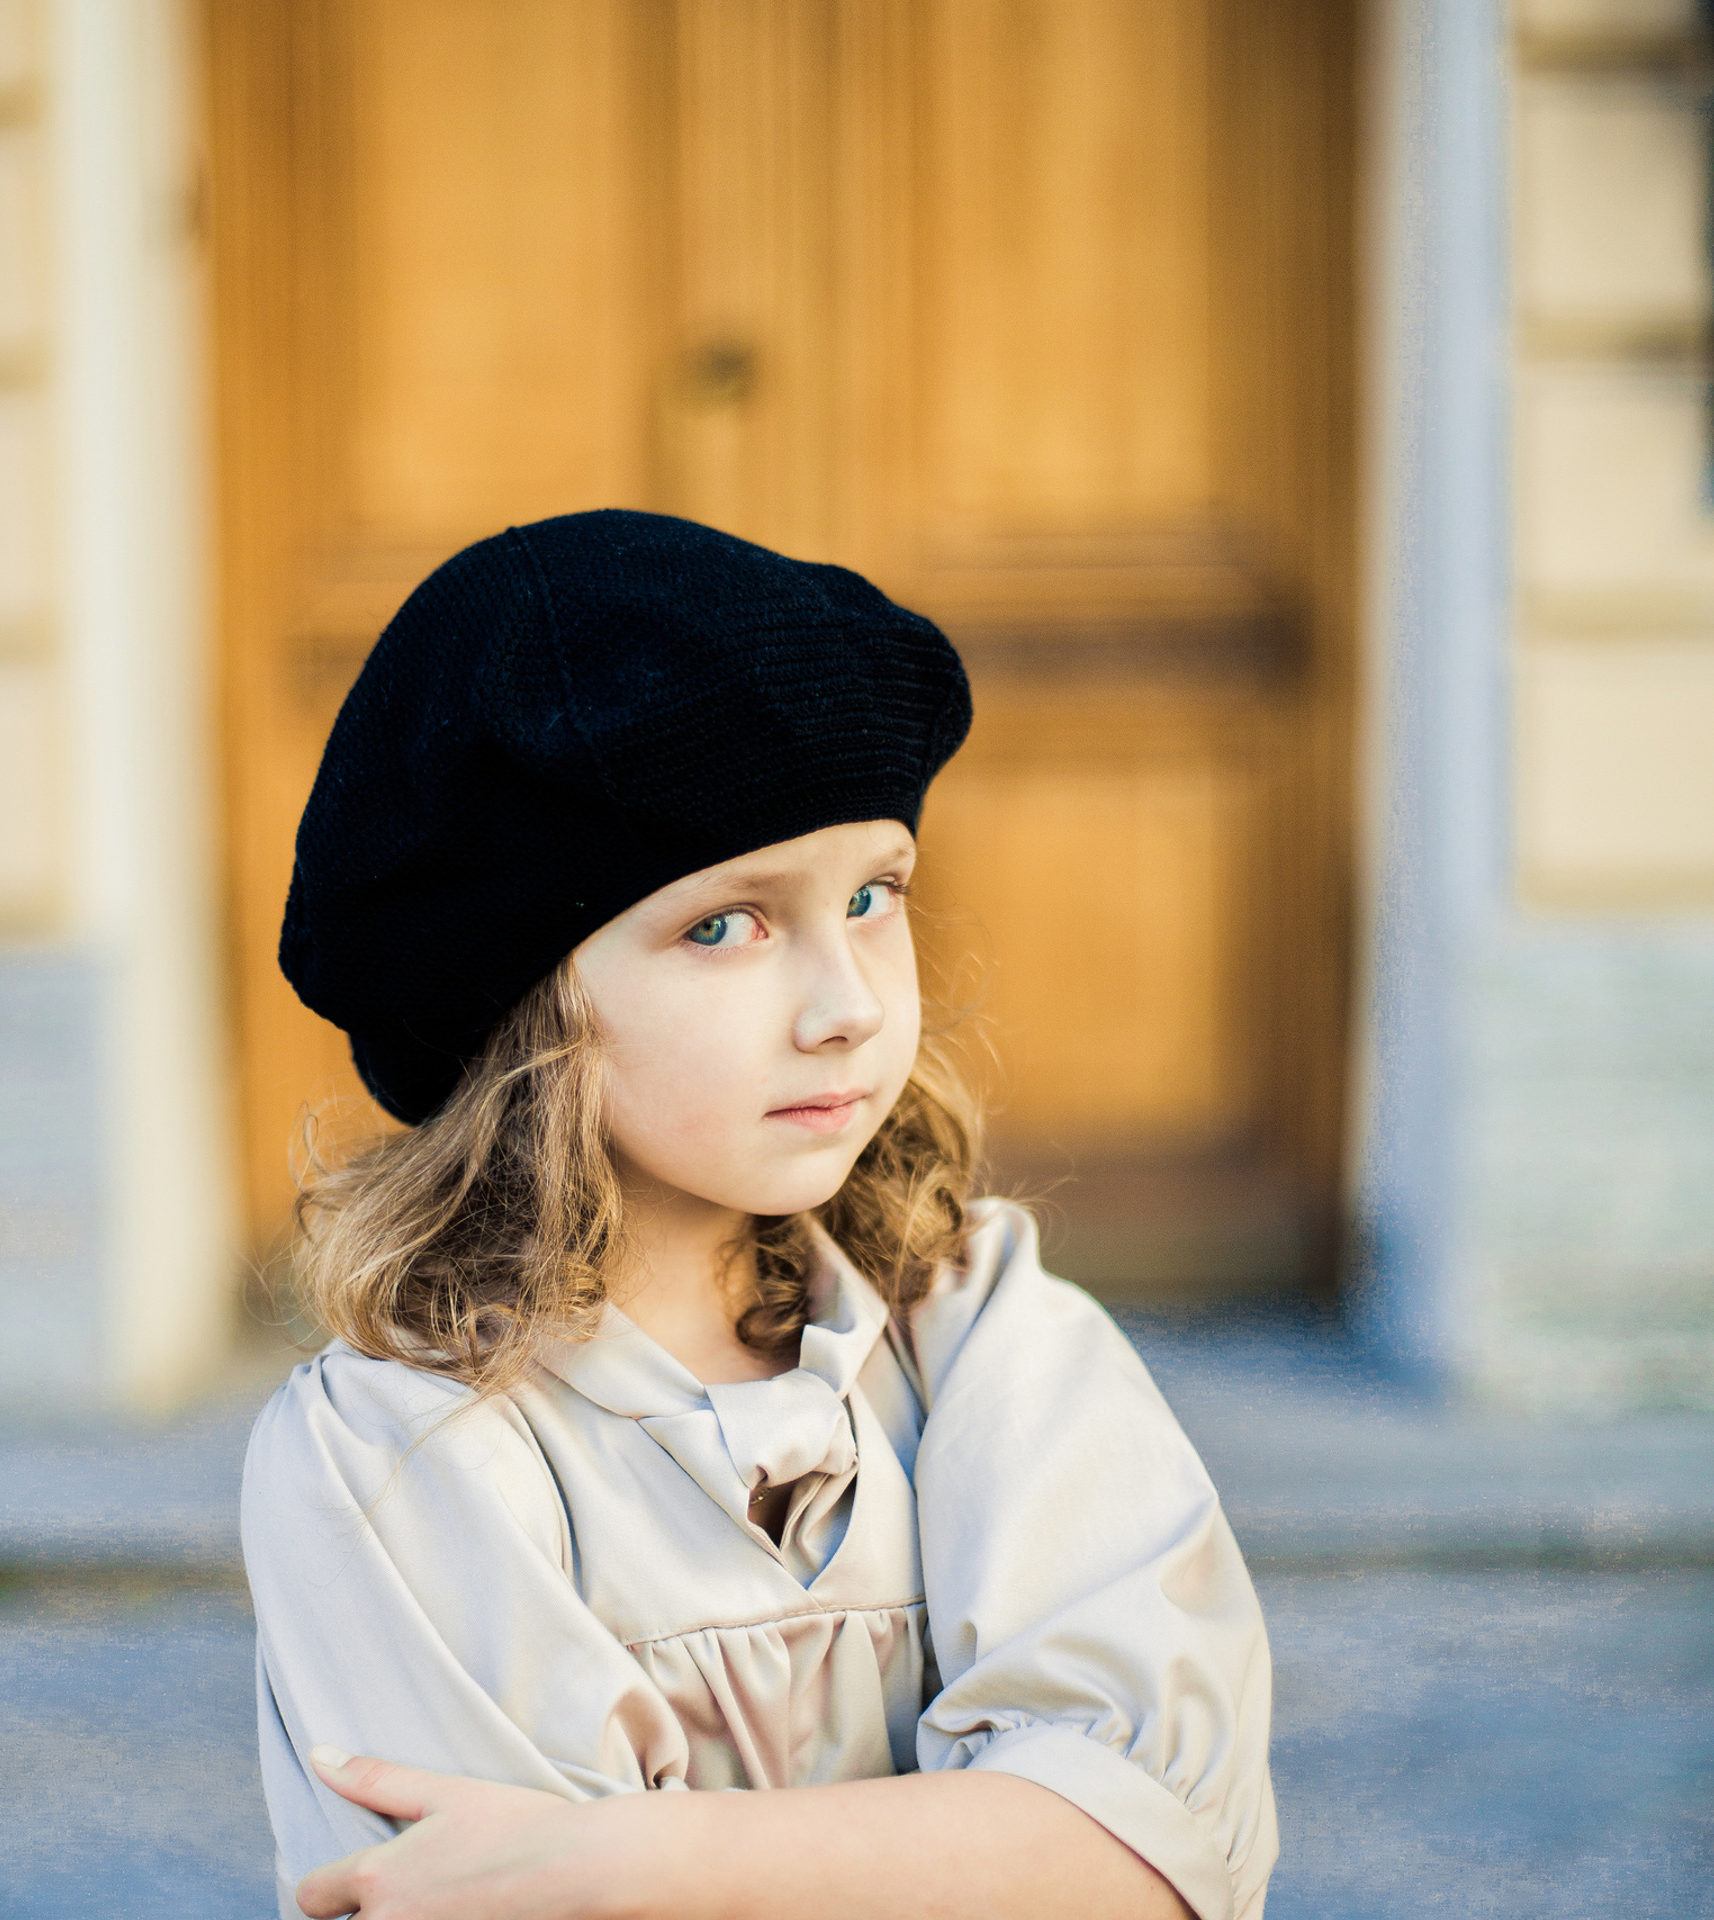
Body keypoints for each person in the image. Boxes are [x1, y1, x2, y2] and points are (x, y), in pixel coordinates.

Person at [242, 510, 1277, 1920]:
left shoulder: (982, 1332)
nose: (848, 1004)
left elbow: (1153, 1857)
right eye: (724, 925)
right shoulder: (403, 1451)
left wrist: (633, 1864)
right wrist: (989, 1848)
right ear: (521, 1011)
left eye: (871, 895)